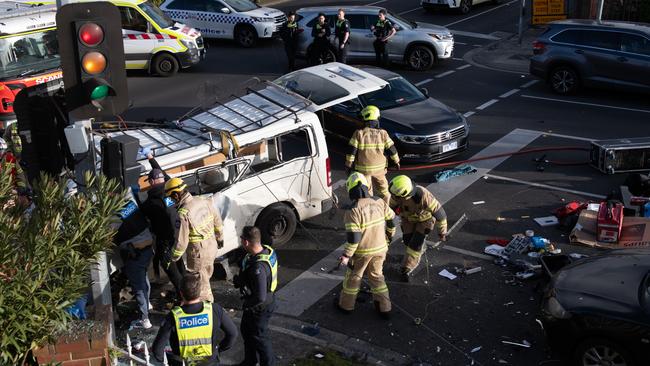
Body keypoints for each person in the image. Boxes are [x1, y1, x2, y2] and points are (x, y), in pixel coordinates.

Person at [337, 172, 396, 319]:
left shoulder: (353, 211)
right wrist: (388, 237)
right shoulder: (379, 201)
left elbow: (354, 239)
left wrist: (346, 256)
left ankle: (346, 306)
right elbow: (391, 221)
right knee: (377, 277)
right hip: (381, 249)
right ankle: (385, 308)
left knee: (353, 278)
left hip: (362, 253)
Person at [153, 273, 238, 366]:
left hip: (183, 363)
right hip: (210, 362)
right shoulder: (214, 309)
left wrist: (170, 360)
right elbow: (233, 334)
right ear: (200, 291)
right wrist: (218, 350)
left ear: (181, 293)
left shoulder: (173, 316)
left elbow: (157, 351)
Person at [165, 177, 224, 303]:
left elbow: (181, 242)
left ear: (176, 195)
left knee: (200, 285)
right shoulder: (203, 200)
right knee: (206, 276)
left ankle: (207, 307)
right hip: (211, 245)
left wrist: (172, 257)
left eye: (170, 197)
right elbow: (217, 219)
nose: (171, 200)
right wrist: (220, 237)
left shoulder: (183, 213)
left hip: (198, 253)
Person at [140, 152, 185, 297]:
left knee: (172, 271)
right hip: (178, 238)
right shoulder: (170, 192)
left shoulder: (149, 203)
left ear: (152, 182)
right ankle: (190, 291)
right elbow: (162, 174)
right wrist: (151, 158)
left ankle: (184, 297)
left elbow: (139, 217)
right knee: (181, 267)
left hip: (163, 242)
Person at [388, 175, 447, 282]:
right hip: (407, 219)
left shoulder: (423, 197)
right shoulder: (396, 195)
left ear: (404, 194)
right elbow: (390, 209)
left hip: (425, 221)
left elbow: (440, 215)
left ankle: (408, 267)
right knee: (407, 240)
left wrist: (442, 233)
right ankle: (418, 250)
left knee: (415, 244)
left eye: (396, 196)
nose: (393, 198)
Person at [233, 226, 277, 366]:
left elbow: (260, 297)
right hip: (257, 303)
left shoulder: (258, 268)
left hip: (259, 307)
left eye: (241, 238)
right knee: (247, 331)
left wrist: (247, 305)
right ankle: (249, 361)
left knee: (260, 338)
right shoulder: (266, 250)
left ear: (246, 242)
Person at [114, 187, 154, 329]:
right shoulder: (129, 204)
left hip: (135, 253)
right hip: (147, 249)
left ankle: (144, 319)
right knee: (143, 280)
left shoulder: (114, 213)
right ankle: (147, 304)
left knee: (138, 287)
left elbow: (108, 235)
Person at [345, 105, 400, 204]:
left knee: (367, 191)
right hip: (380, 170)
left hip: (363, 170)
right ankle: (386, 208)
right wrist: (397, 161)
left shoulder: (359, 133)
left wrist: (348, 165)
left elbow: (351, 151)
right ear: (377, 118)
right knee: (384, 191)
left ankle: (371, 208)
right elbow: (392, 149)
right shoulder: (383, 133)